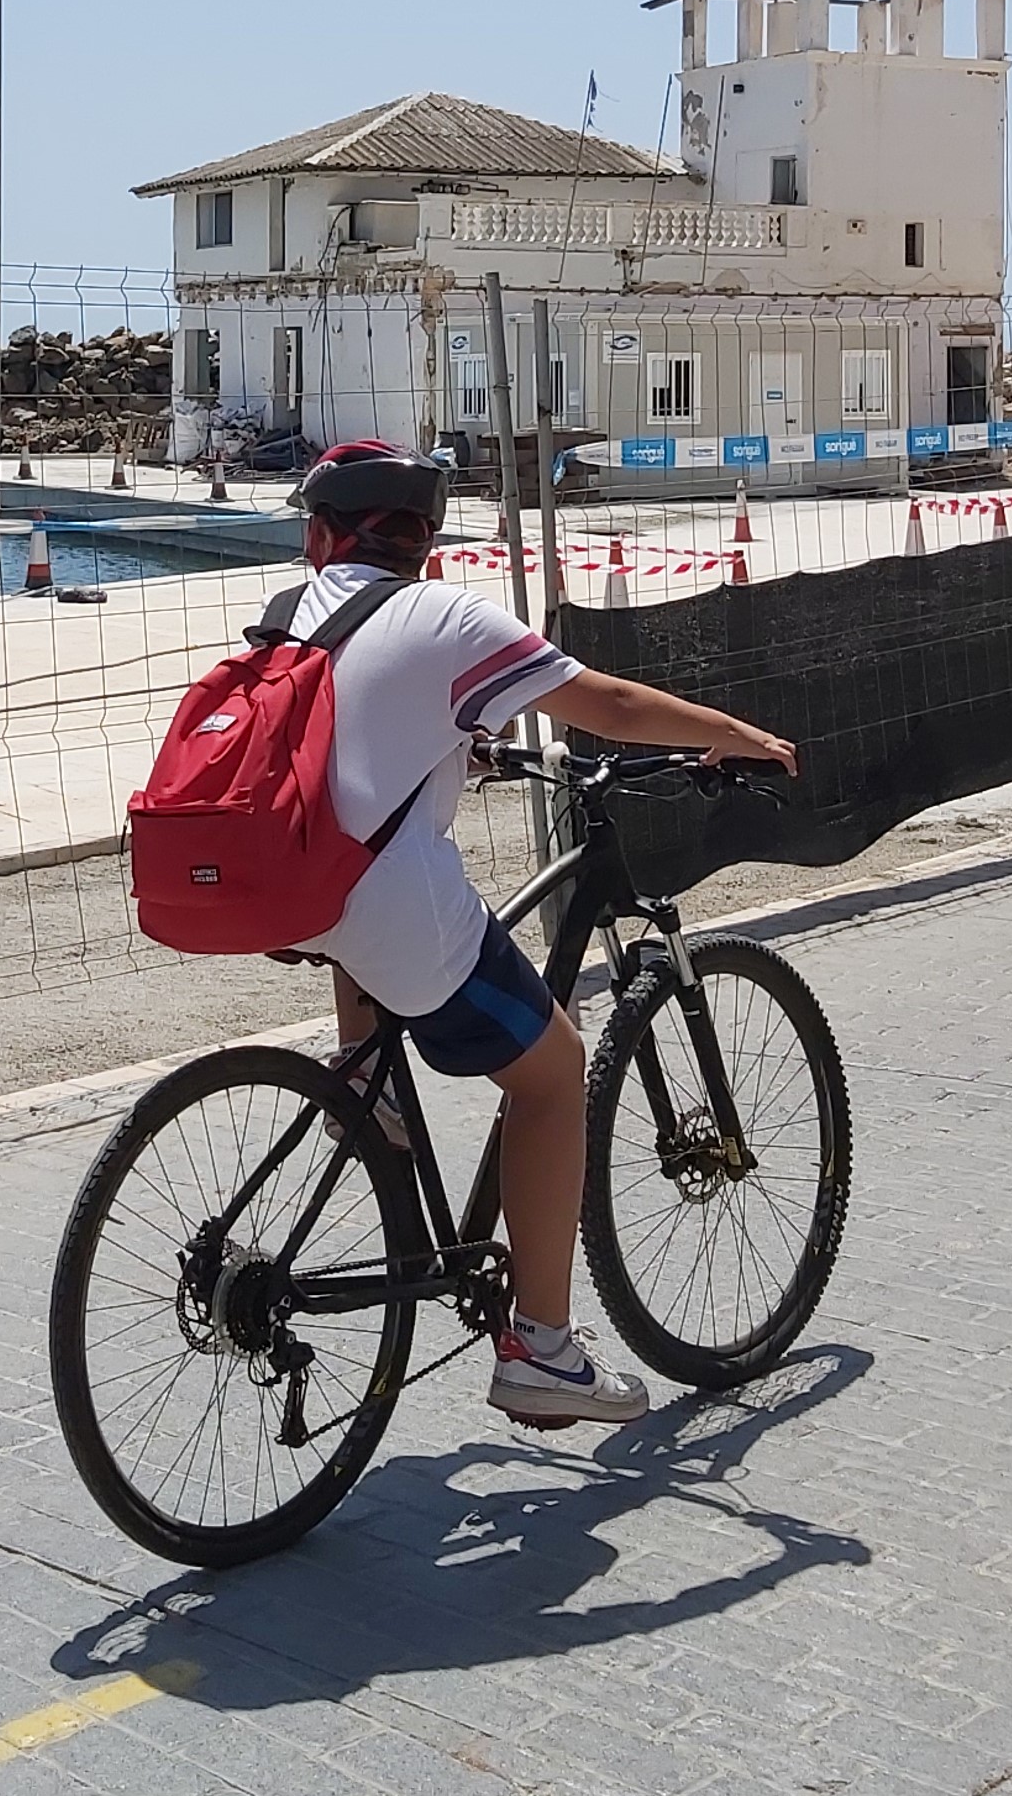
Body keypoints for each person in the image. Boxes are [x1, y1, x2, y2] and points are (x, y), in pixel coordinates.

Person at [274, 442, 795, 1431]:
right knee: (553, 1072)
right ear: (425, 541)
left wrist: (460, 744)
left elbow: (359, 738)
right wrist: (735, 734)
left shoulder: (290, 615)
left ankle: (367, 1088)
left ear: (317, 537)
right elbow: (608, 704)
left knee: (368, 939)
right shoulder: (441, 614)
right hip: (384, 906)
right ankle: (544, 1353)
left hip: (289, 885)